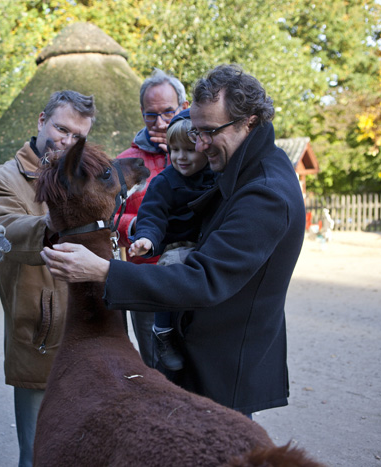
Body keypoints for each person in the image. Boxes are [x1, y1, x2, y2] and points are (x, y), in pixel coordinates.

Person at [41, 64, 306, 417]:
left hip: (222, 368)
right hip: (202, 353)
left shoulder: (266, 193)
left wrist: (106, 271)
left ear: (250, 122)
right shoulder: (238, 169)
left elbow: (204, 278)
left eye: (209, 131)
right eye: (196, 132)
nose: (199, 145)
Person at [0, 90, 96, 467]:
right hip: (39, 335)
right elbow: (6, 233)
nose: (67, 141)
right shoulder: (1, 178)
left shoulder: (86, 175)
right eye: (61, 128)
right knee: (37, 455)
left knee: (84, 449)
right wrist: (57, 222)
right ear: (41, 121)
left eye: (77, 136)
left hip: (87, 333)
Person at [128, 110, 216, 371]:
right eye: (174, 150)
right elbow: (153, 216)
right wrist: (146, 239)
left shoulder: (216, 177)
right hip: (178, 248)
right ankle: (163, 330)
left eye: (189, 150)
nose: (180, 157)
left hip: (208, 247)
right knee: (172, 267)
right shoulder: (165, 182)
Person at [115, 69, 188, 369]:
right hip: (146, 281)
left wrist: (177, 154)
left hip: (194, 275)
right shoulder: (124, 162)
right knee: (155, 368)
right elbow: (108, 218)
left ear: (184, 108)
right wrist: (133, 226)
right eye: (150, 115)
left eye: (168, 112)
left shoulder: (201, 153)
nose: (159, 123)